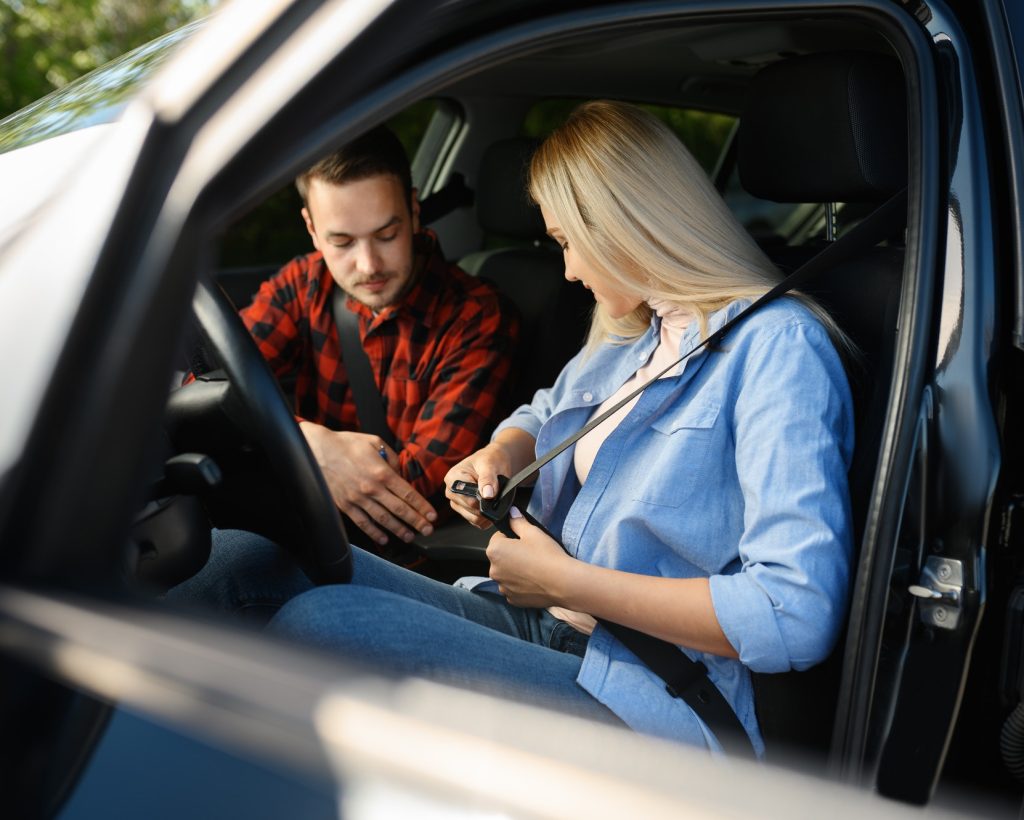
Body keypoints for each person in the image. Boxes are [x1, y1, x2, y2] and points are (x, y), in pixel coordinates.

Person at [223, 101, 854, 755]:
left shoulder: (778, 346)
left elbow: (793, 612)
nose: (569, 270)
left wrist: (566, 582)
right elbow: (546, 410)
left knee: (320, 625)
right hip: (554, 620)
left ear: (625, 226)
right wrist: (502, 450)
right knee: (242, 564)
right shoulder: (636, 331)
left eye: (567, 242)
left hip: (657, 689)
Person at [229, 125, 519, 556]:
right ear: (311, 228)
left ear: (415, 212)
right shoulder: (301, 285)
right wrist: (311, 445)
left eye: (387, 235)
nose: (368, 265)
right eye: (341, 242)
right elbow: (210, 386)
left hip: (404, 555)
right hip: (307, 530)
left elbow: (418, 491)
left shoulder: (475, 315)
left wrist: (280, 448)